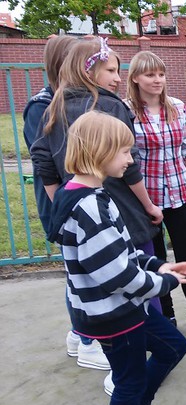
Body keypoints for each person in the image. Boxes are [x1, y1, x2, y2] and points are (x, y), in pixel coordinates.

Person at [47, 111, 186, 405]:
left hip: (124, 307)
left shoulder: (90, 194)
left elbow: (119, 253)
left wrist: (158, 265)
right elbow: (118, 276)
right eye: (125, 151)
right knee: (129, 381)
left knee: (173, 347)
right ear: (100, 151)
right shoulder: (88, 206)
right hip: (114, 315)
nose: (130, 159)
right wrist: (166, 284)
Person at [30, 38, 164, 371]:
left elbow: (43, 163)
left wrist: (63, 203)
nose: (118, 78)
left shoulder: (52, 106)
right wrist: (148, 205)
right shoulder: (109, 105)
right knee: (137, 281)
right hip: (122, 213)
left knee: (87, 282)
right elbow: (129, 167)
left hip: (77, 214)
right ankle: (149, 350)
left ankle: (94, 343)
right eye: (111, 70)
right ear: (89, 70)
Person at [22, 35, 110, 371]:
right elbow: (47, 164)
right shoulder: (43, 105)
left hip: (81, 199)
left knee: (85, 268)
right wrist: (66, 207)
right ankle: (87, 340)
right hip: (65, 202)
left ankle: (79, 334)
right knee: (79, 272)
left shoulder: (79, 100)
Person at [126, 51, 186, 338]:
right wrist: (146, 204)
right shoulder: (127, 112)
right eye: (150, 75)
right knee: (157, 261)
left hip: (179, 194)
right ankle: (167, 315)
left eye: (161, 74)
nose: (157, 80)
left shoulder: (177, 107)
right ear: (136, 78)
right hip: (145, 201)